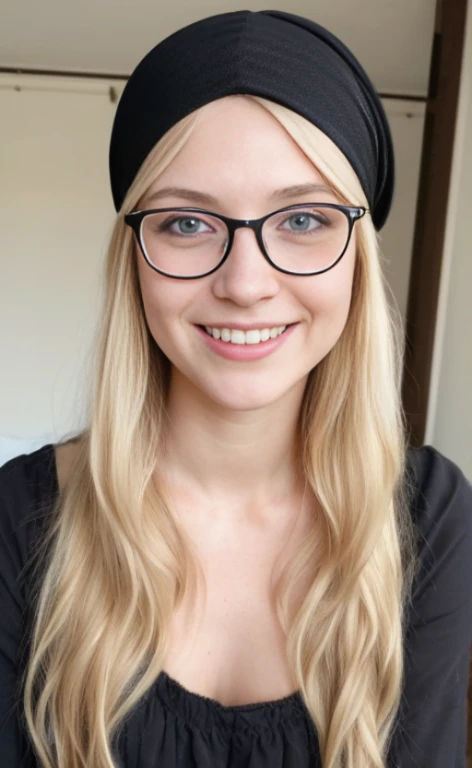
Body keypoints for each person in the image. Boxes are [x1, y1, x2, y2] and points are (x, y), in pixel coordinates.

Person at [0, 9, 471, 768]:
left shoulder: (429, 518)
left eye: (305, 220)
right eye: (187, 223)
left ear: (357, 252)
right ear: (135, 255)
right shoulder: (18, 521)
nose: (245, 283)